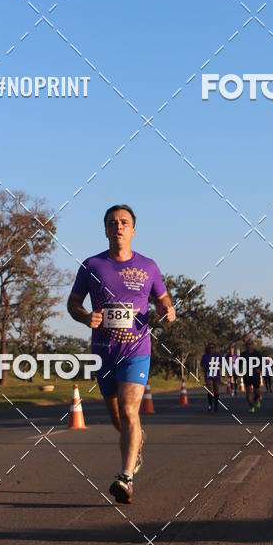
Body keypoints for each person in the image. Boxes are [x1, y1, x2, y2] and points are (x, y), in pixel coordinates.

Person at [67, 205, 175, 504]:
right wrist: (84, 316)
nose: (119, 226)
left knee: (130, 411)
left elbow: (162, 298)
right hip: (103, 352)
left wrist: (166, 308)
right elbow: (73, 302)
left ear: (133, 230)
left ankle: (125, 477)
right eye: (113, 222)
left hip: (136, 349)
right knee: (118, 418)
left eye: (124, 222)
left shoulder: (149, 266)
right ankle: (136, 444)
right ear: (105, 229)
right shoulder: (91, 265)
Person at [240, 339, 263, 413]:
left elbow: (262, 363)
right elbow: (239, 363)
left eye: (250, 344)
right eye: (247, 344)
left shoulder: (257, 353)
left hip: (255, 374)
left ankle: (257, 399)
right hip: (247, 374)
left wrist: (260, 369)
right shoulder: (243, 354)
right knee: (248, 392)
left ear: (253, 345)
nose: (249, 346)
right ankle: (252, 407)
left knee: (257, 391)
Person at [201, 342, 221, 412]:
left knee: (216, 391)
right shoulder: (205, 356)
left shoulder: (218, 355)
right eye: (210, 348)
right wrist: (203, 368)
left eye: (212, 348)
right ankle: (210, 405)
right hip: (208, 374)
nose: (211, 349)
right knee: (210, 390)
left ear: (214, 348)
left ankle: (216, 405)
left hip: (216, 374)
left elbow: (222, 363)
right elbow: (202, 364)